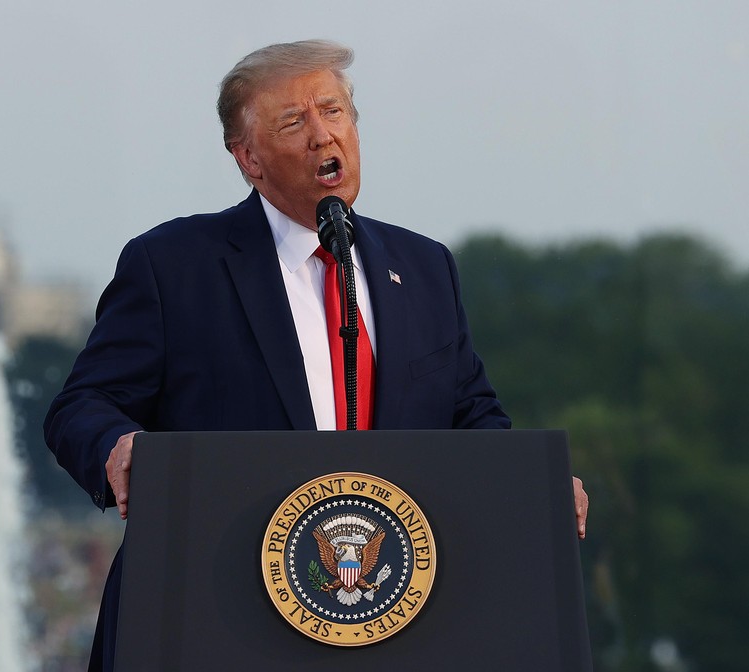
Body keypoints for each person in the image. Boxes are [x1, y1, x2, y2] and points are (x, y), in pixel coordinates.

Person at [44, 39, 589, 672]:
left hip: (395, 616)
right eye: (293, 122)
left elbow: (471, 414)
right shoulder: (174, 265)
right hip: (219, 608)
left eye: (333, 111)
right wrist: (117, 445)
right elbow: (81, 405)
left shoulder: (424, 266)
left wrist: (528, 485)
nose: (322, 135)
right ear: (248, 158)